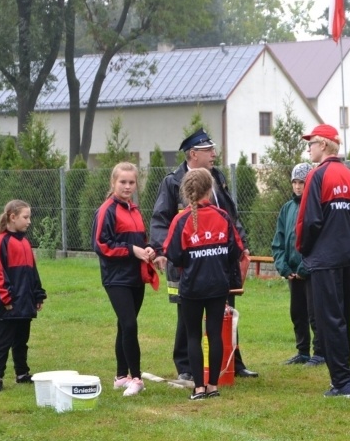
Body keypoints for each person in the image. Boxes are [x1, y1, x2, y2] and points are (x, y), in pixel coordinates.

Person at [151, 128, 258, 380]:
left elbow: (230, 216)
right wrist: (160, 250)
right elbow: (160, 219)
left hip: (219, 259)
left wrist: (241, 246)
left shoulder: (216, 178)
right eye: (208, 150)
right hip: (187, 262)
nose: (214, 154)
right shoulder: (173, 182)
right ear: (192, 155)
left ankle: (234, 362)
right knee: (186, 315)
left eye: (213, 149)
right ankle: (186, 367)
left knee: (226, 311)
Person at [296, 124, 350, 397]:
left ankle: (343, 382)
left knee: (329, 319)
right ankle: (344, 373)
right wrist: (346, 239)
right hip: (346, 255)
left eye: (311, 143)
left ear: (323, 145)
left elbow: (309, 220)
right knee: (342, 317)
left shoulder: (317, 175)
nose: (309, 148)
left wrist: (304, 249)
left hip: (325, 258)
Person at [165, 168, 244, 400]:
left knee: (193, 336)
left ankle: (198, 388)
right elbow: (235, 250)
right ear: (210, 189)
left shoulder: (181, 220)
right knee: (215, 335)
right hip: (219, 286)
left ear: (186, 191)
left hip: (191, 287)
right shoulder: (222, 216)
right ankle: (213, 386)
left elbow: (173, 254)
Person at [92, 162, 157, 396]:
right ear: (113, 183)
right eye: (123, 182)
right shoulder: (106, 210)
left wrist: (148, 250)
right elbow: (101, 244)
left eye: (131, 182)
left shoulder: (135, 210)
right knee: (130, 324)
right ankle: (136, 378)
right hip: (116, 277)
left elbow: (141, 239)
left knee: (124, 325)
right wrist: (132, 250)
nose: (127, 186)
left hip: (136, 277)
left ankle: (121, 376)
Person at [0, 200, 47, 393]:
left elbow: (32, 272)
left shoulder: (25, 242)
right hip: (9, 305)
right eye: (25, 217)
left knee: (21, 341)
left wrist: (37, 295)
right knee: (3, 342)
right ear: (12, 218)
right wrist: (5, 299)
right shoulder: (2, 241)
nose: (29, 221)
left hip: (24, 303)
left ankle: (22, 373)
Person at [271, 162, 325, 367]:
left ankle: (320, 352)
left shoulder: (315, 206)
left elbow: (316, 240)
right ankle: (302, 351)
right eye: (294, 181)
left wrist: (304, 267)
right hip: (292, 273)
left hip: (310, 272)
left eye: (301, 182)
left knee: (315, 313)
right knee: (297, 313)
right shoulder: (287, 208)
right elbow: (278, 241)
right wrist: (284, 267)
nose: (297, 186)